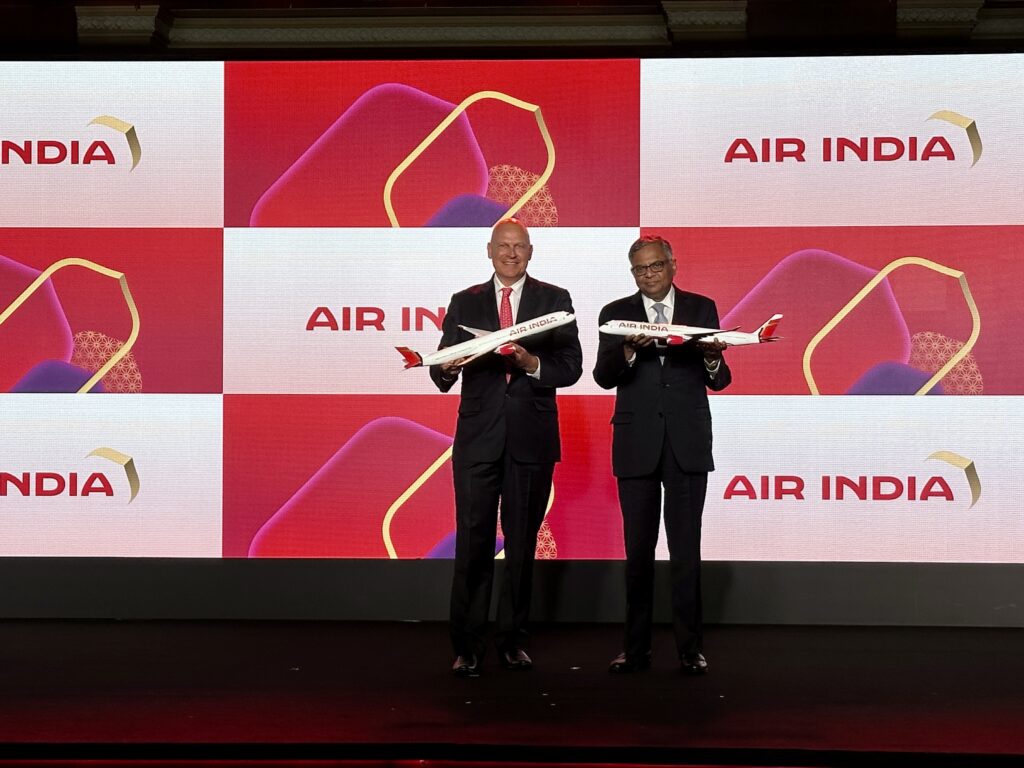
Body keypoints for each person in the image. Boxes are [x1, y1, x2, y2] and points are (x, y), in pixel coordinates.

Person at [430, 218, 583, 677]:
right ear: (489, 250)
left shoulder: (555, 301)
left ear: (530, 251)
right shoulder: (466, 302)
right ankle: (467, 647)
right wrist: (450, 366)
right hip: (478, 440)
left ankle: (514, 641)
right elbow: (440, 373)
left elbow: (571, 367)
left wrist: (530, 361)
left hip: (531, 439)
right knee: (473, 544)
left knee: (520, 546)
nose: (510, 254)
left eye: (519, 246)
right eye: (503, 246)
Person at [593, 234, 731, 675]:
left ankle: (691, 650)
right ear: (632, 273)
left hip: (687, 443)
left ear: (673, 265)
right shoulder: (615, 314)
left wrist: (711, 358)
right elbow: (602, 377)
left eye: (655, 266)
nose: (648, 275)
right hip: (636, 445)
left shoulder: (701, 308)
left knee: (686, 551)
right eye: (640, 269)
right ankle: (635, 650)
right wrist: (629, 350)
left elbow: (720, 379)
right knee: (638, 553)